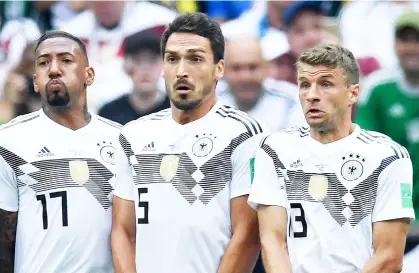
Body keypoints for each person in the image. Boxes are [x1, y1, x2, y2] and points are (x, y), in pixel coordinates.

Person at [112, 13, 266, 273]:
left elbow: (248, 235)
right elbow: (123, 232)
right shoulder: (133, 135)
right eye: (172, 59)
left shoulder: (243, 132)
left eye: (195, 59)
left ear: (219, 68)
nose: (181, 71)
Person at [248, 44, 415, 273]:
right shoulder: (274, 150)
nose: (312, 95)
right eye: (305, 85)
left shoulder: (387, 157)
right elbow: (272, 241)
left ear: (353, 93)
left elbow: (389, 257)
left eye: (325, 84)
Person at [0, 30, 121, 273]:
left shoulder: (121, 140)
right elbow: (3, 243)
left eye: (66, 60)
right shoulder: (9, 142)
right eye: (44, 63)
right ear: (35, 80)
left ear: (89, 75)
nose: (54, 69)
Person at [356, 10, 419, 231]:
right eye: (405, 40)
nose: (412, 48)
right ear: (394, 44)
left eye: (417, 40)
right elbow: (366, 149)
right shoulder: (378, 88)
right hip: (390, 210)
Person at [218, 36, 306, 132]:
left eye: (253, 67)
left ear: (266, 68)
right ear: (223, 70)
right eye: (236, 68)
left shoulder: (291, 100)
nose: (245, 77)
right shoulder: (209, 101)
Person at [98, 29, 170, 125]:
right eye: (138, 60)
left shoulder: (175, 112)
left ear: (164, 64)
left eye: (152, 60)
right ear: (125, 65)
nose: (145, 68)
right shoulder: (108, 113)